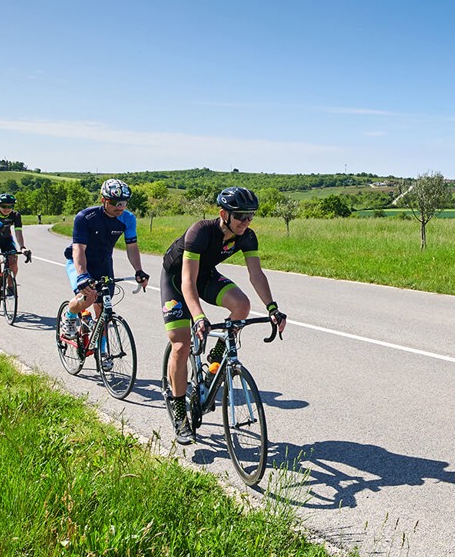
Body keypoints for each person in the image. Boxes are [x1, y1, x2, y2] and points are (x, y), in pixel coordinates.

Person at [161, 186, 286, 444]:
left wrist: (272, 308)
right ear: (223, 214)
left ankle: (214, 362)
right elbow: (187, 282)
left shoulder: (247, 236)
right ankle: (180, 413)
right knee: (182, 344)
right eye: (241, 216)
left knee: (242, 306)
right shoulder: (201, 231)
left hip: (205, 275)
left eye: (251, 216)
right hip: (176, 279)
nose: (246, 221)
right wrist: (198, 317)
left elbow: (256, 275)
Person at [60, 179, 149, 339]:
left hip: (103, 263)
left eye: (124, 202)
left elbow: (132, 247)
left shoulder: (128, 219)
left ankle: (103, 353)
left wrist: (139, 270)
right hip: (79, 262)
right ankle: (70, 315)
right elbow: (78, 248)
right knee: (89, 298)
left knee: (103, 310)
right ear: (103, 200)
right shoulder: (86, 217)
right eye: (115, 202)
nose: (120, 207)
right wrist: (82, 275)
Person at [0, 193, 31, 297]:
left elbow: (18, 232)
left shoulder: (15, 215)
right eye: (4, 206)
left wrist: (22, 247)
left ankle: (10, 286)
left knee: (13, 258)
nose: (7, 209)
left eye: (10, 206)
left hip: (6, 240)